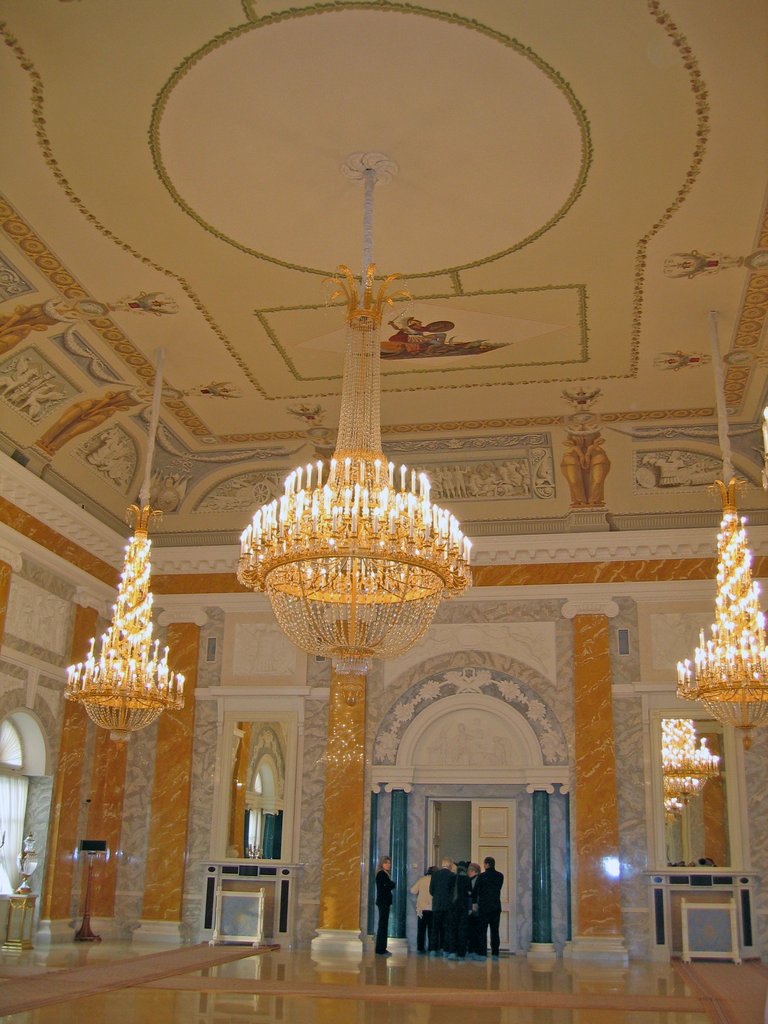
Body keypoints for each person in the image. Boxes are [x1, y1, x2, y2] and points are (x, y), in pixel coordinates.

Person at [476, 855, 504, 959]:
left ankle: (482, 952)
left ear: (487, 864)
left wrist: (475, 902)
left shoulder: (481, 876)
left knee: (482, 931)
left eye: (484, 864)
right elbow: (499, 887)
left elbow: (477, 890)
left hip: (484, 906)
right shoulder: (500, 876)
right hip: (496, 906)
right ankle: (495, 952)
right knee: (495, 930)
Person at [428, 857, 456, 956]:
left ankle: (433, 949)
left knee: (435, 928)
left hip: (437, 905)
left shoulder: (435, 875)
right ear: (450, 865)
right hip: (448, 906)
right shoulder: (452, 876)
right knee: (447, 928)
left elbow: (431, 890)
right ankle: (445, 949)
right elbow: (453, 891)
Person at [447, 861, 472, 960]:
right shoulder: (467, 879)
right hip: (464, 907)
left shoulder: (452, 878)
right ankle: (461, 953)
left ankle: (452, 951)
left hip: (453, 907)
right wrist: (470, 908)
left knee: (452, 929)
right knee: (463, 930)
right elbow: (470, 894)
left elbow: (448, 892)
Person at [410, 866, 434, 954]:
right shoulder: (435, 880)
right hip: (432, 908)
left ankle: (420, 948)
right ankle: (431, 948)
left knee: (421, 930)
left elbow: (413, 890)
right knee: (431, 930)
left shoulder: (422, 880)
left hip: (421, 908)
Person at [375, 856, 396, 956]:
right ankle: (380, 949)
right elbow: (389, 885)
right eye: (386, 863)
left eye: (389, 863)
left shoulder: (385, 874)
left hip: (384, 902)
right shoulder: (381, 874)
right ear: (382, 864)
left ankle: (382, 948)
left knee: (383, 925)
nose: (388, 865)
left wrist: (391, 884)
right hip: (383, 902)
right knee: (383, 925)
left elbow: (388, 885)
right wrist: (392, 884)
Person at [466, 862, 485, 960]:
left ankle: (473, 950)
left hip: (474, 908)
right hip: (476, 909)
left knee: (473, 930)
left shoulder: (475, 880)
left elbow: (473, 894)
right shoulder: (477, 879)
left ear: (473, 871)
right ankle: (474, 950)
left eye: (469, 870)